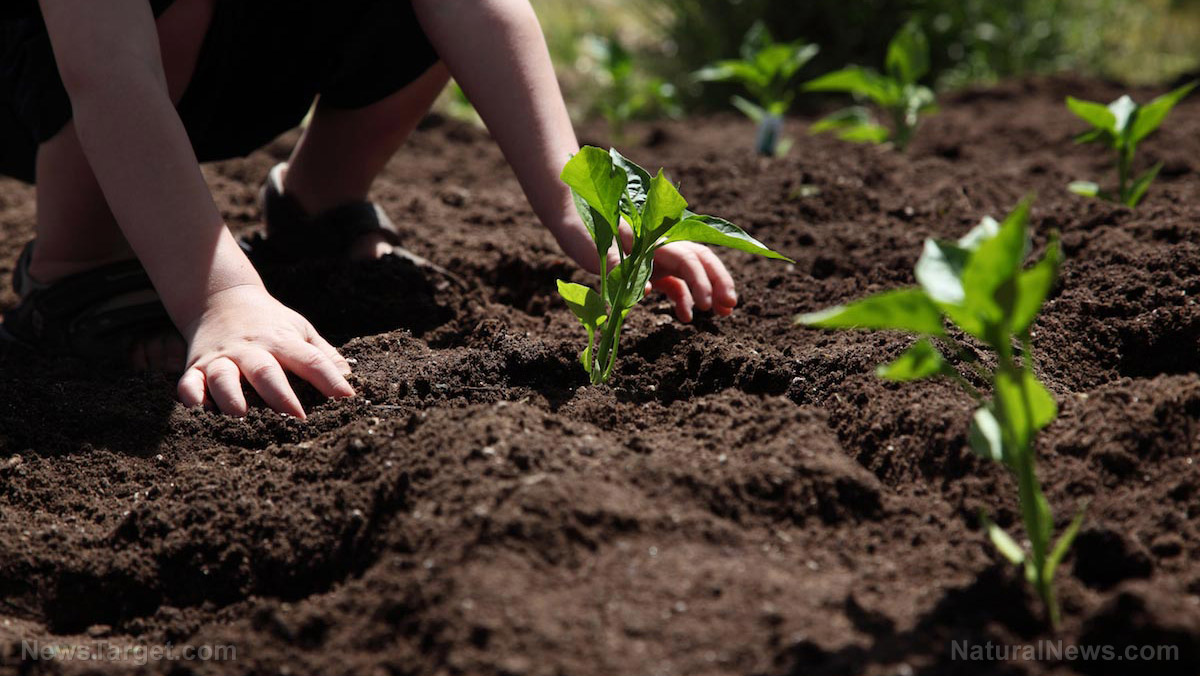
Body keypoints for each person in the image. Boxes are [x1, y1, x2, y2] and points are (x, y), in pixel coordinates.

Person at [0, 0, 741, 419]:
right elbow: (106, 72)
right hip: (56, 74)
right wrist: (221, 298)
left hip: (218, 66)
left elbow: (486, 13)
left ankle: (317, 208)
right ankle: (77, 267)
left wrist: (584, 199)